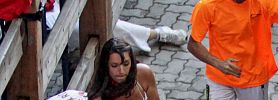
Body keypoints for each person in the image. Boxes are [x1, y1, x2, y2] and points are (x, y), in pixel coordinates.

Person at [46, 2, 187, 54]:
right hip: (51, 25)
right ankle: (157, 34)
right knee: (105, 24)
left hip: (59, 6)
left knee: (100, 11)